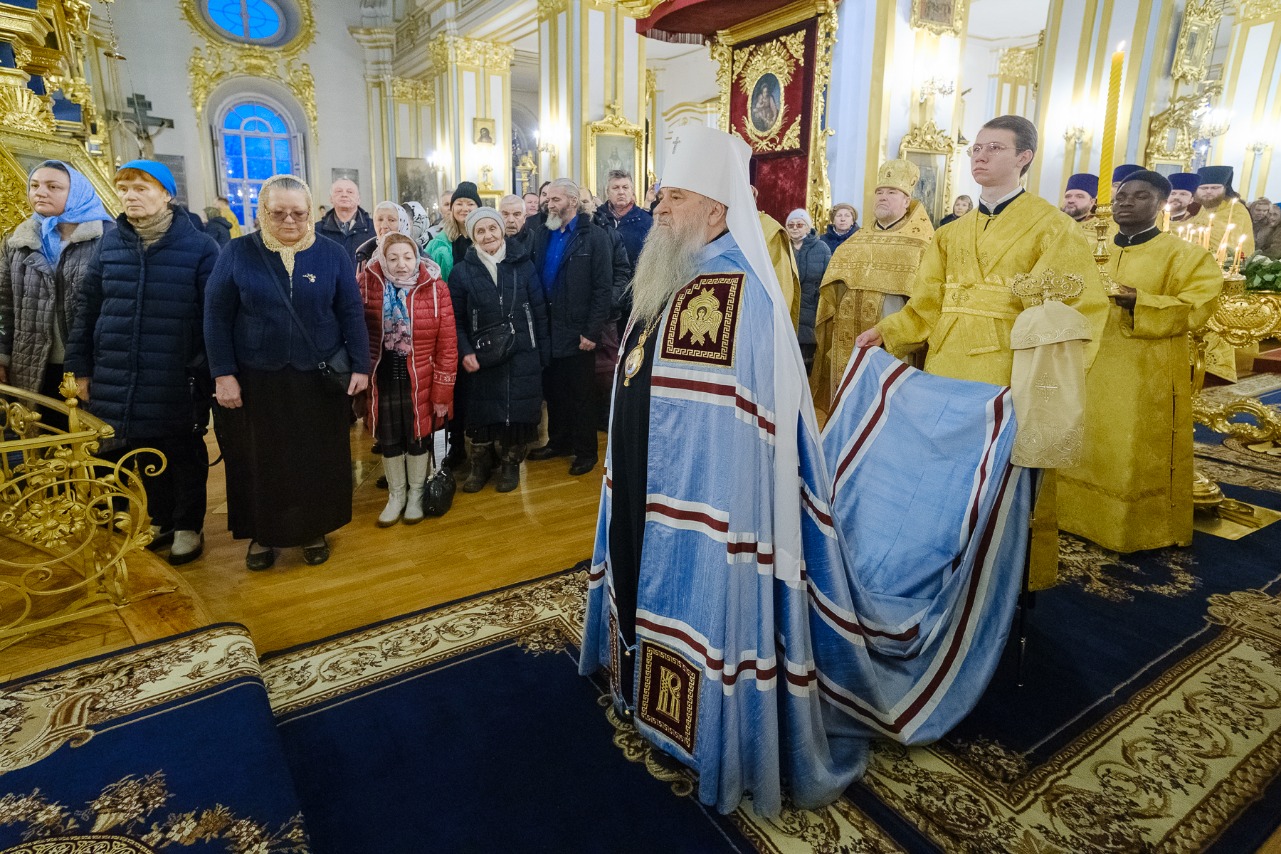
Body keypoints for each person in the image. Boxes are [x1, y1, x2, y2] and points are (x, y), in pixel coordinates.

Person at [579, 123, 1034, 816]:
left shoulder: (741, 294)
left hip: (709, 508)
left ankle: (703, 724)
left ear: (714, 208)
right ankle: (638, 679)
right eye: (659, 196)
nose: (658, 209)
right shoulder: (667, 272)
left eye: (673, 197)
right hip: (650, 481)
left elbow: (749, 426)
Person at [855, 114, 1109, 589]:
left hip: (1006, 373)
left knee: (997, 478)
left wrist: (1042, 382)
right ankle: (940, 565)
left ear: (1024, 157)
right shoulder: (950, 232)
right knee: (943, 472)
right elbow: (928, 302)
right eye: (976, 149)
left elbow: (1073, 311)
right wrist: (888, 332)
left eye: (994, 148)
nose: (980, 156)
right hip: (945, 366)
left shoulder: (1053, 228)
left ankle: (996, 575)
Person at [205, 174, 371, 570]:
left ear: (311, 211)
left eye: (298, 212)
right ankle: (263, 534)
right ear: (263, 212)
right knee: (262, 457)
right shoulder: (237, 252)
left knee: (317, 456)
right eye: (278, 213)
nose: (289, 221)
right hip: (258, 375)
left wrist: (361, 365)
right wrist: (223, 373)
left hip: (318, 375)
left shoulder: (331, 253)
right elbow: (215, 315)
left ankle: (314, 528)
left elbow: (350, 311)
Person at [65, 159, 220, 566]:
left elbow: (213, 315)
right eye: (125, 188)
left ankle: (189, 524)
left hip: (175, 371)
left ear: (166, 194)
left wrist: (203, 369)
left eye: (141, 188)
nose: (131, 196)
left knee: (182, 449)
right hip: (118, 367)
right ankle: (161, 518)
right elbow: (88, 308)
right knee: (139, 449)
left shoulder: (200, 247)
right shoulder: (110, 243)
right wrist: (79, 367)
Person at [1059, 171, 1223, 553]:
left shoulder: (1185, 256)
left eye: (1139, 196)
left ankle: (1127, 529)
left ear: (1161, 204)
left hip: (1140, 370)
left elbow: (1197, 307)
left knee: (1127, 446)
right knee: (1075, 436)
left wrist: (1142, 300)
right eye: (1121, 195)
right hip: (1082, 361)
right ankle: (1068, 515)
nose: (1125, 202)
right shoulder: (1082, 245)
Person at [811, 159, 934, 422]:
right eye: (879, 192)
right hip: (846, 340)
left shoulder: (922, 244)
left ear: (907, 200)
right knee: (845, 409)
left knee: (886, 408)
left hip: (891, 341)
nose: (883, 198)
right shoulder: (855, 241)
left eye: (891, 192)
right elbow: (831, 293)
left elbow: (928, 302)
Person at [358, 231, 456, 525]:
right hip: (384, 377)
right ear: (382, 259)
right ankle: (396, 495)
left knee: (418, 436)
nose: (401, 264)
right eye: (393, 258)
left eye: (407, 257)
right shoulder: (367, 285)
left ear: (417, 257)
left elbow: (448, 344)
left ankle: (415, 493)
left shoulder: (436, 288)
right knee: (389, 439)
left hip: (421, 377)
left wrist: (442, 392)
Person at [448, 208, 549, 493]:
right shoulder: (461, 272)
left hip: (522, 351)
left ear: (502, 229)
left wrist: (543, 352)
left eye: (492, 228)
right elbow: (454, 318)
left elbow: (539, 311)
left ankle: (510, 465)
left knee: (517, 410)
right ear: (472, 236)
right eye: (480, 231)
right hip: (481, 355)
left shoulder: (523, 264)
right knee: (483, 410)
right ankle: (480, 466)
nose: (488, 235)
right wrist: (465, 350)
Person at [0, 161, 113, 399]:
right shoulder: (17, 241)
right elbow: (3, 304)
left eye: (53, 186)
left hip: (93, 365)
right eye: (35, 185)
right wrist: (1, 356)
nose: (40, 192)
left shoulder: (107, 237)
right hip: (30, 362)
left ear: (76, 192)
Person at [527, 178, 615, 476]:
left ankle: (585, 450)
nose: (549, 204)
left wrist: (592, 332)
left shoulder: (595, 237)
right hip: (548, 328)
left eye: (555, 199)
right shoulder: (541, 234)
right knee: (554, 391)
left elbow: (603, 289)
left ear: (573, 202)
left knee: (581, 395)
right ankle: (559, 441)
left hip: (579, 330)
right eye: (548, 199)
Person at [784, 208, 830, 374]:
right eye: (791, 225)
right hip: (786, 308)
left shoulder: (822, 248)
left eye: (799, 224)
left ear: (808, 227)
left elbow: (827, 281)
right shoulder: (781, 246)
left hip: (811, 309)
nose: (795, 228)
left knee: (805, 364)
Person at [1190, 165, 1254, 256]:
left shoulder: (1236, 209)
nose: (1209, 191)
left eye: (1215, 188)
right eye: (1204, 188)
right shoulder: (1187, 207)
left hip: (1224, 263)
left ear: (1224, 189)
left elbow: (1245, 243)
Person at [425, 181, 480, 281]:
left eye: (470, 204)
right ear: (452, 208)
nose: (465, 208)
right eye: (459, 204)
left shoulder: (486, 239)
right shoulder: (438, 242)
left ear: (478, 208)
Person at [316, 178, 376, 262]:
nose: (344, 195)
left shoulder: (374, 228)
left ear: (359, 200)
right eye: (339, 191)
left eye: (350, 192)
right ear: (330, 199)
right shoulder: (316, 231)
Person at [355, 200, 412, 270]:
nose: (384, 226)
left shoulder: (417, 255)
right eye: (380, 220)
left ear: (402, 223)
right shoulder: (364, 254)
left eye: (391, 220)